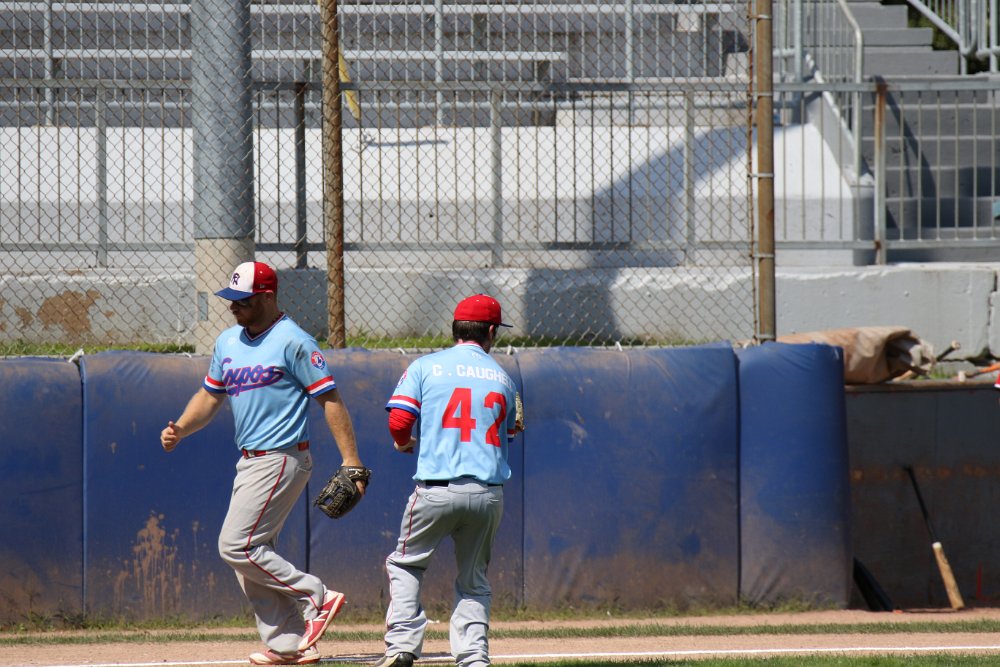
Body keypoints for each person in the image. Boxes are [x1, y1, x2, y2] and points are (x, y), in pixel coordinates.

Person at [160, 261, 366, 666]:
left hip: (282, 457)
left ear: (268, 297)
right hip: (250, 461)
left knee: (236, 545)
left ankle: (316, 596)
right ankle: (289, 643)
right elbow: (210, 396)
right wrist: (181, 428)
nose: (233, 306)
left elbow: (329, 399)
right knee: (252, 557)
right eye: (231, 299)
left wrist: (351, 460)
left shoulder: (294, 341)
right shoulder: (227, 342)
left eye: (243, 299)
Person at [374, 294, 521, 667]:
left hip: (436, 490)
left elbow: (399, 421)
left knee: (406, 565)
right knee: (473, 579)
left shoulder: (426, 366)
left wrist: (404, 442)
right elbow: (512, 431)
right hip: (487, 494)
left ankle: (402, 646)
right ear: (491, 331)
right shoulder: (504, 378)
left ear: (455, 328)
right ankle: (473, 657)